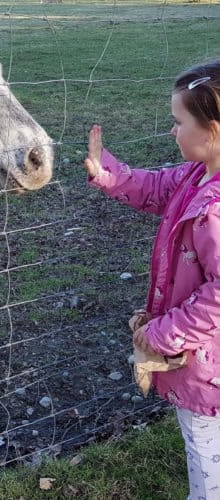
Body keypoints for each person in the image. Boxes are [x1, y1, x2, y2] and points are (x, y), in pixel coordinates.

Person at [84, 59, 220, 499]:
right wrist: (108, 173)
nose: (171, 132)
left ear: (213, 130)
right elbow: (158, 188)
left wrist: (160, 335)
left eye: (178, 122)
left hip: (206, 365)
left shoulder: (216, 210)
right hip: (204, 355)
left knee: (205, 452)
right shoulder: (198, 176)